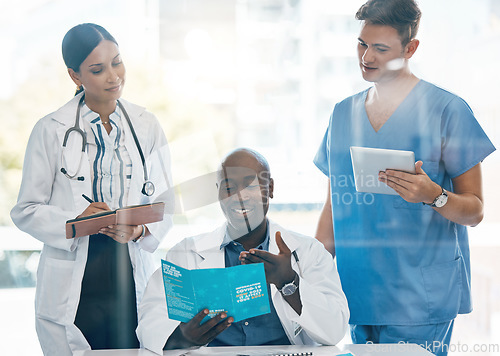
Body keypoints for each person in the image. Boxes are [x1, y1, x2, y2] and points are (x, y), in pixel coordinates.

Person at [313, 1, 496, 355]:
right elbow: (334, 206)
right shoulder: (341, 114)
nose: (367, 57)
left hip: (420, 299)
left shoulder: (448, 111)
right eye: (362, 44)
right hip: (357, 294)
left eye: (381, 48)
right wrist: (308, 270)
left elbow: (474, 211)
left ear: (410, 48)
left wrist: (434, 195)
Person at [10, 23, 173, 355]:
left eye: (117, 62)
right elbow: (25, 210)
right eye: (98, 69)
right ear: (75, 76)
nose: (114, 76)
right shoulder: (50, 130)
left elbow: (165, 200)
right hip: (76, 279)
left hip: (130, 274)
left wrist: (141, 230)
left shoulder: (147, 126)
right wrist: (75, 219)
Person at [137, 148, 349, 355]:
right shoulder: (185, 253)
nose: (240, 196)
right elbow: (150, 324)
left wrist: (289, 283)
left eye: (251, 185)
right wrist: (182, 338)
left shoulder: (308, 252)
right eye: (229, 188)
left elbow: (334, 331)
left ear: (271, 188)